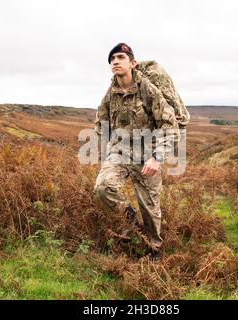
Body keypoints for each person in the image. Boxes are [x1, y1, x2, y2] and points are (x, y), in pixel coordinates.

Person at [92, 43, 179, 256]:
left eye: (120, 57)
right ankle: (131, 221)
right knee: (103, 188)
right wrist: (107, 155)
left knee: (149, 208)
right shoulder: (110, 93)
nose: (115, 61)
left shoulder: (147, 89)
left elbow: (170, 125)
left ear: (132, 63)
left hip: (147, 155)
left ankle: (154, 250)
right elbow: (101, 124)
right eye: (112, 59)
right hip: (119, 153)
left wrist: (157, 158)